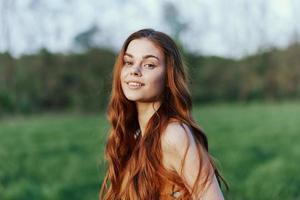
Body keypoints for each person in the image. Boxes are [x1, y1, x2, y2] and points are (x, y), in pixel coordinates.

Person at [99, 28, 227, 200]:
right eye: (129, 62)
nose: (134, 70)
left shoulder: (173, 134)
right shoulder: (135, 134)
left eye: (149, 65)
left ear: (168, 77)